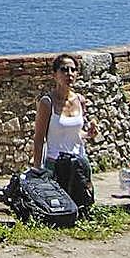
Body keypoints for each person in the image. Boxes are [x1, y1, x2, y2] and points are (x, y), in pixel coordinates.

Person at [31, 53, 96, 201]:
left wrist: (89, 133)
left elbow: (77, 133)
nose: (69, 74)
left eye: (73, 70)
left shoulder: (80, 100)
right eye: (64, 70)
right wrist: (37, 168)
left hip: (78, 162)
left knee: (82, 205)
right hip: (55, 163)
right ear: (55, 75)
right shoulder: (47, 103)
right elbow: (39, 138)